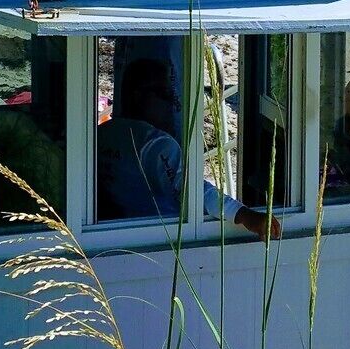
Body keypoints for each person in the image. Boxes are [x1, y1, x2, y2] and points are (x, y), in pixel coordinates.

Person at [94, 58, 278, 238]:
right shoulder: (156, 144)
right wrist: (243, 214)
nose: (172, 103)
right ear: (138, 95)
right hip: (160, 239)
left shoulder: (101, 134)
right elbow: (193, 191)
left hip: (112, 233)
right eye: (164, 94)